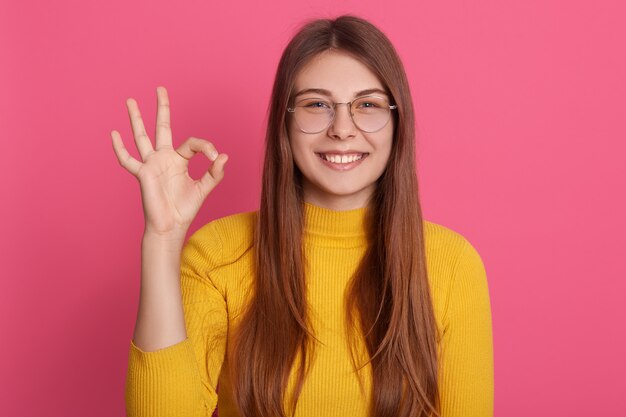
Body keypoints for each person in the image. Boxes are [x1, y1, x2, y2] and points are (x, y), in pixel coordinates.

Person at [112, 15, 493, 417]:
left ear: (398, 123)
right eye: (317, 105)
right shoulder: (216, 255)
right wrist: (162, 240)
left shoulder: (452, 264)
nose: (343, 129)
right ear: (286, 122)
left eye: (367, 104)